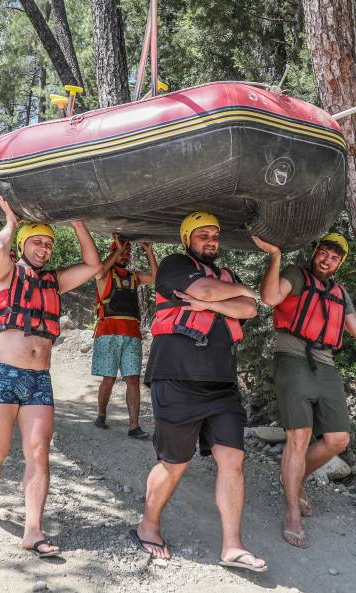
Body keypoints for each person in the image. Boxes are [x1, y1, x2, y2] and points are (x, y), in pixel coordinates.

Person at [254, 232, 356, 549]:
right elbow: (270, 298)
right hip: (292, 357)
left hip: (324, 363)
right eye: (324, 253)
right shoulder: (296, 274)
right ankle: (292, 512)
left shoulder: (339, 292)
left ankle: (293, 481)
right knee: (299, 436)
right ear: (316, 253)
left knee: (338, 439)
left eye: (334, 257)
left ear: (339, 263)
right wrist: (275, 257)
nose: (327, 260)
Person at [0, 196, 100, 560]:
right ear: (23, 245)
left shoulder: (54, 281)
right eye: (38, 242)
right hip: (1, 375)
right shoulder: (5, 273)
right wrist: (10, 222)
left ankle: (33, 530)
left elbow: (92, 264)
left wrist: (75, 223)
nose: (44, 248)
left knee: (39, 453)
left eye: (49, 243)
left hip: (39, 380)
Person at [132, 211, 267, 573]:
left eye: (215, 235)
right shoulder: (174, 266)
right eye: (203, 235)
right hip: (176, 377)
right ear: (188, 238)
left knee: (232, 462)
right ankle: (149, 524)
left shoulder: (229, 276)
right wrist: (222, 298)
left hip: (221, 383)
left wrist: (213, 303)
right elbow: (207, 290)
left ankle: (233, 546)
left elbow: (250, 308)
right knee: (175, 463)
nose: (210, 241)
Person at [91, 235, 157, 438]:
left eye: (127, 253)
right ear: (113, 252)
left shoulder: (133, 276)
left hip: (132, 334)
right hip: (108, 332)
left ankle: (134, 426)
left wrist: (149, 251)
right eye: (121, 252)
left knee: (133, 380)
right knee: (109, 379)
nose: (125, 255)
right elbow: (100, 270)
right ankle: (101, 414)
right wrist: (118, 249)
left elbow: (156, 278)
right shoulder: (104, 275)